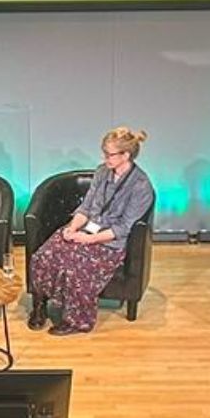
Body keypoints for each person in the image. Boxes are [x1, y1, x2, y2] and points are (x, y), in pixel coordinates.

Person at [27, 126, 154, 337]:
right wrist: (72, 228)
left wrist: (89, 239)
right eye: (104, 152)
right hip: (86, 229)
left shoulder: (140, 186)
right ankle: (40, 306)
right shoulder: (102, 172)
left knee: (75, 266)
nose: (105, 158)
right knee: (44, 255)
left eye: (110, 154)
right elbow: (86, 208)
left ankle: (78, 321)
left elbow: (123, 229)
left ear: (126, 155)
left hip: (109, 241)